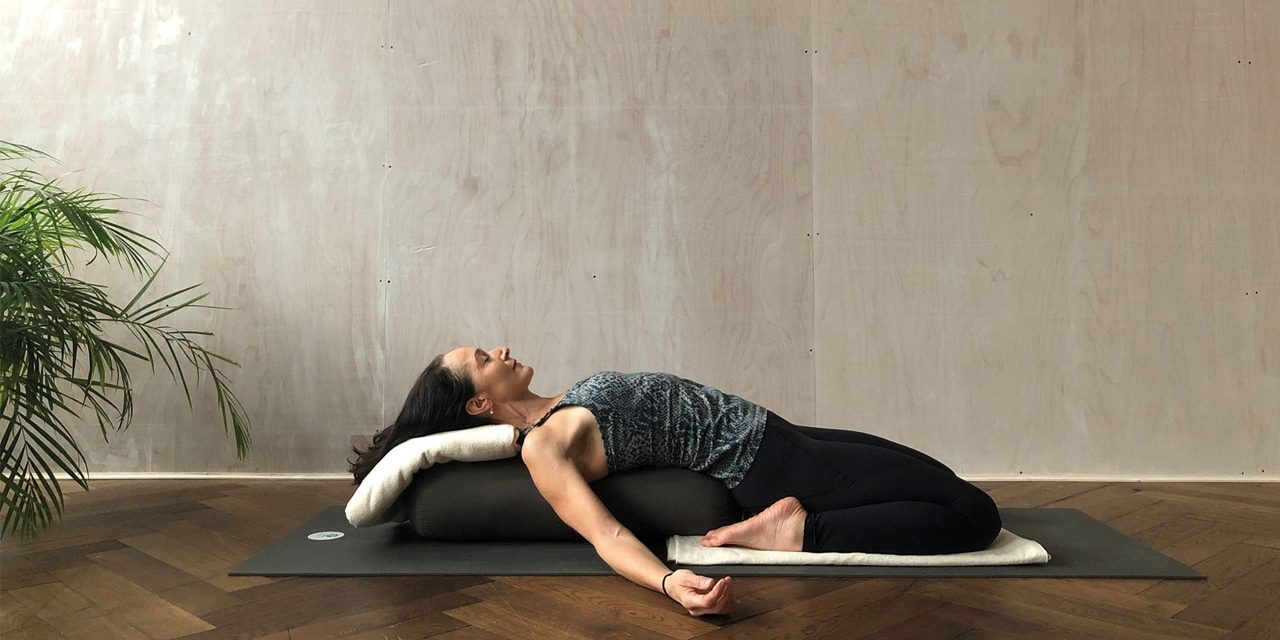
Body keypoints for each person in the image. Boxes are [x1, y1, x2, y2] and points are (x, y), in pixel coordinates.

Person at [349, 345, 1002, 618]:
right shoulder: (544, 447)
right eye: (484, 361)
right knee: (973, 514)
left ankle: (794, 525)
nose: (500, 350)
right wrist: (668, 582)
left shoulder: (560, 403)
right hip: (768, 467)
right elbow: (603, 533)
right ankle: (796, 532)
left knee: (942, 484)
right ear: (479, 406)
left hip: (779, 435)